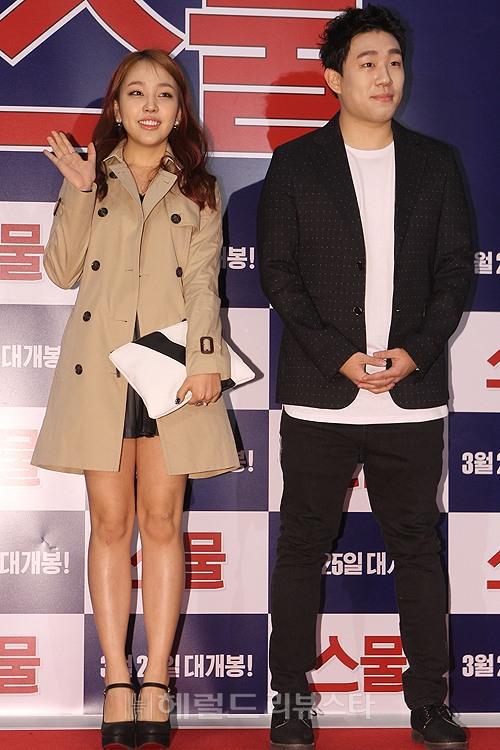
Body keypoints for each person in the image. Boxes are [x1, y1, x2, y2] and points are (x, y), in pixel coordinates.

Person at [258, 5, 473, 750]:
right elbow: (279, 275)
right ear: (333, 78)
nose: (385, 76)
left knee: (417, 546)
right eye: (367, 62)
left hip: (410, 395)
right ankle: (290, 702)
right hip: (322, 392)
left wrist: (415, 351)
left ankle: (429, 705)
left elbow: (454, 274)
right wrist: (336, 354)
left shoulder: (437, 164)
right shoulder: (296, 164)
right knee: (302, 545)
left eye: (394, 61)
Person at [31, 48, 239, 750]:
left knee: (163, 521)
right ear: (116, 108)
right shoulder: (92, 177)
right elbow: (61, 271)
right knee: (111, 523)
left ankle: (157, 681)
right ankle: (117, 679)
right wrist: (78, 191)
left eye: (165, 95)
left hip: (171, 373)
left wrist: (206, 360)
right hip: (100, 371)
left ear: (179, 112)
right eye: (136, 94)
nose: (151, 105)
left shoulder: (201, 189)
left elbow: (204, 283)